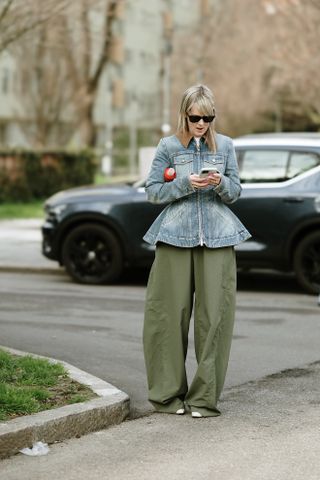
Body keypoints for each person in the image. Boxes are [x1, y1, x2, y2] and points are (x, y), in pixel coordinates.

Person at [143, 84, 251, 418]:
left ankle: (203, 399)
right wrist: (184, 183)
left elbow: (236, 191)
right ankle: (167, 397)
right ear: (184, 113)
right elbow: (153, 192)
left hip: (218, 239)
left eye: (207, 117)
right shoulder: (168, 146)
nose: (201, 123)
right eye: (195, 117)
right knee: (167, 318)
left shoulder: (227, 146)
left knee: (214, 319)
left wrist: (219, 183)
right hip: (174, 236)